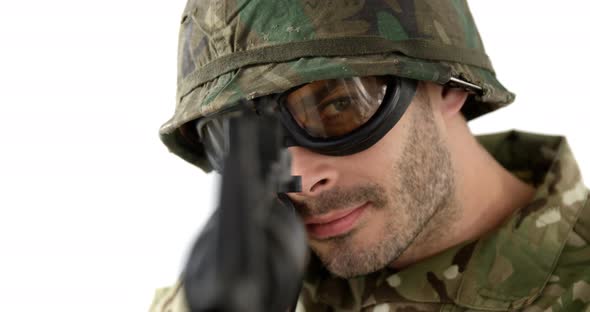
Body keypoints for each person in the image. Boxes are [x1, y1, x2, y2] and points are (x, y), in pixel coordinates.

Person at [150, 0, 590, 311]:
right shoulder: (250, 289)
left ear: (449, 85)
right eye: (246, 139)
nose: (298, 177)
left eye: (339, 106)